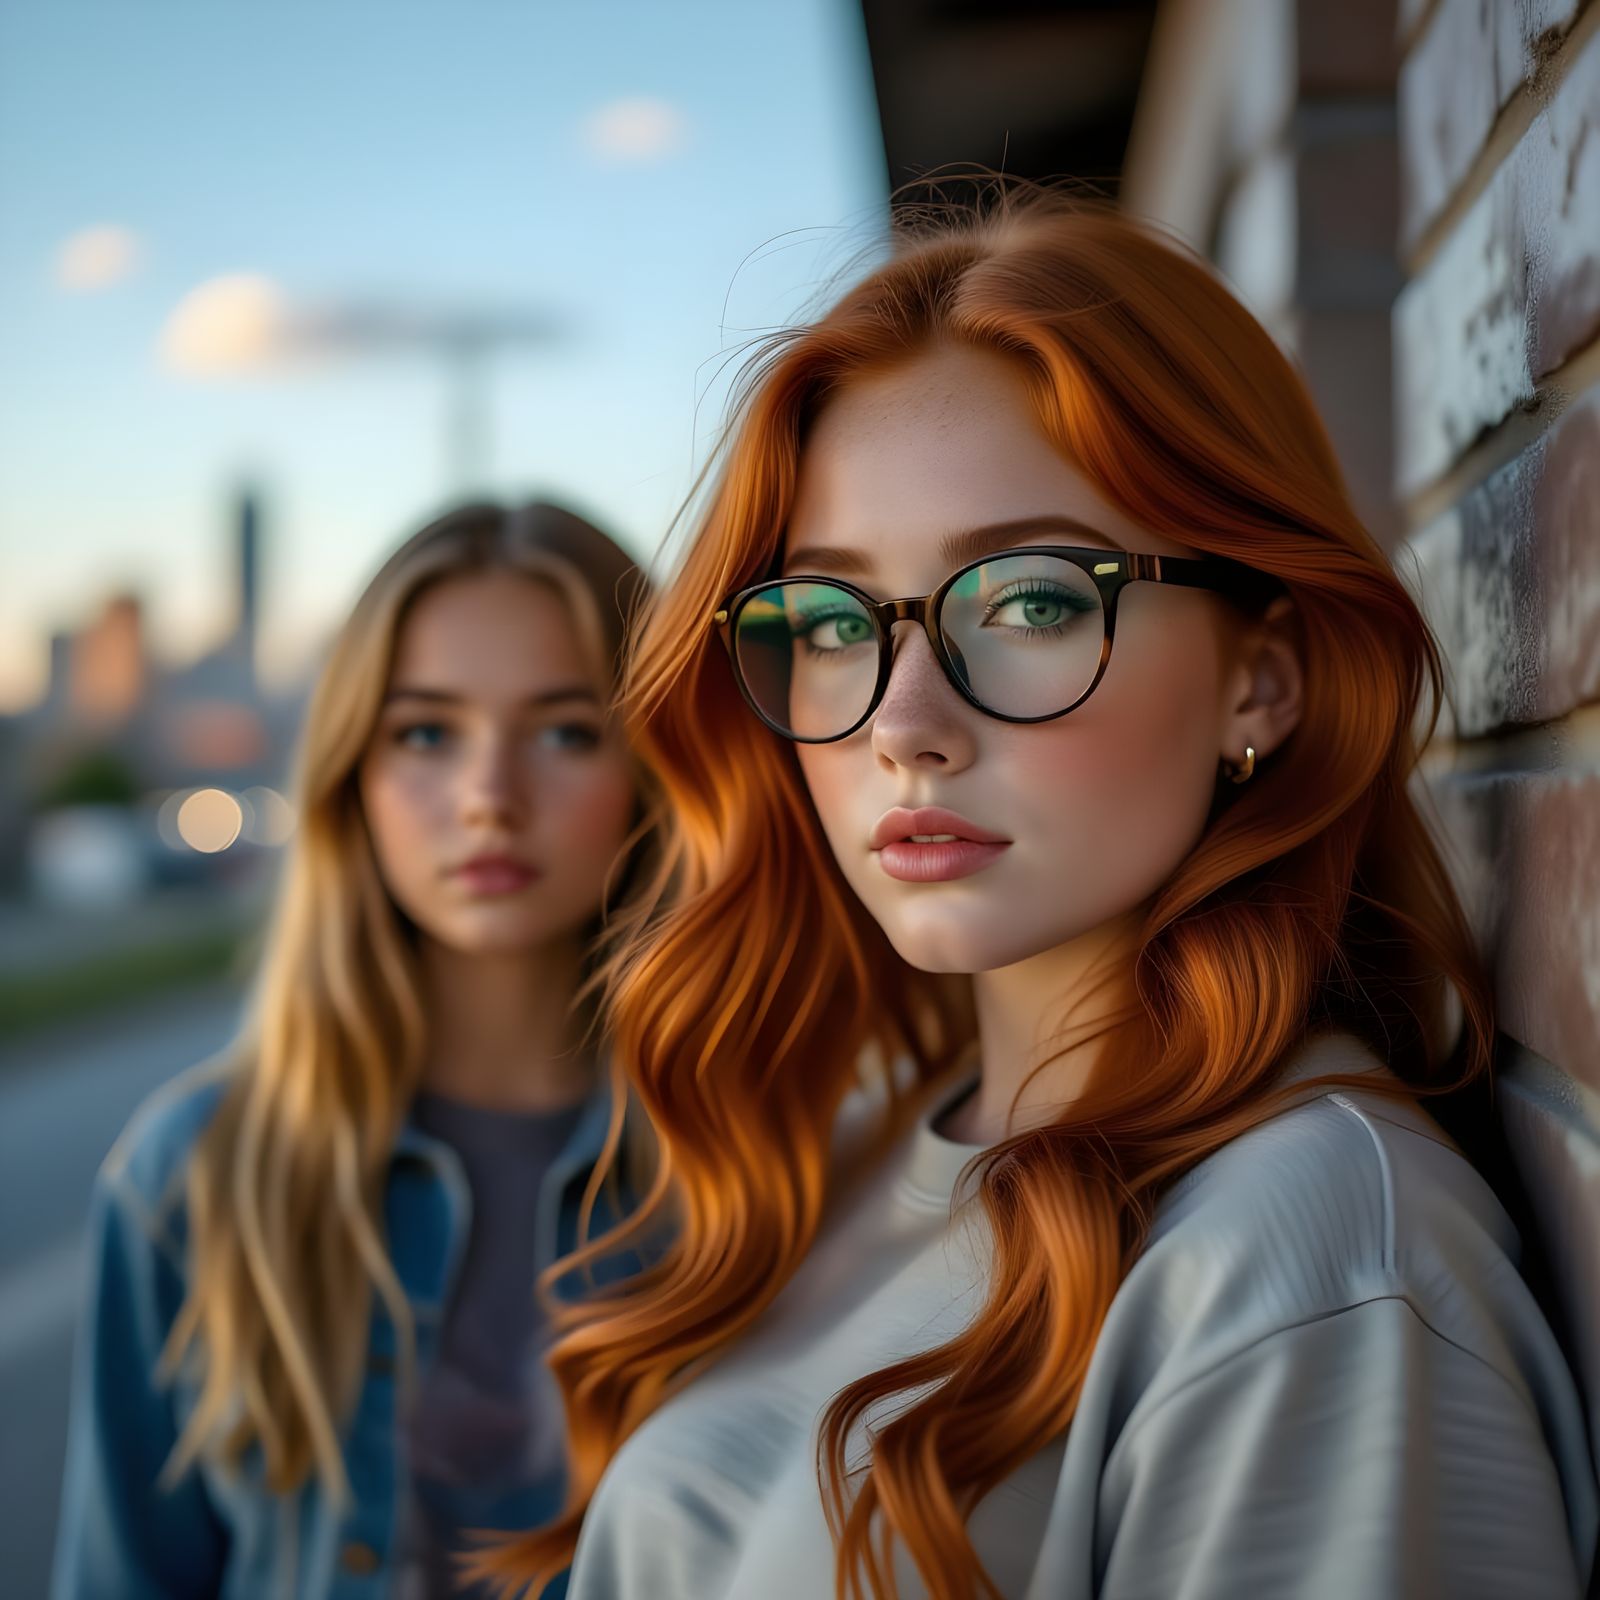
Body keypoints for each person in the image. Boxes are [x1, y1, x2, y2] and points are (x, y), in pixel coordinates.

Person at [471, 197, 1598, 1600]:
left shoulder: (1315, 1267)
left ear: (1265, 671)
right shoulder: (893, 1129)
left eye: (1031, 602)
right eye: (832, 623)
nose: (905, 722)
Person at [53, 500, 657, 1599]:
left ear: (654, 768)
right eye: (425, 731)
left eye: (566, 730)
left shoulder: (755, 1164)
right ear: (353, 774)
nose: (488, 799)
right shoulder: (192, 1170)